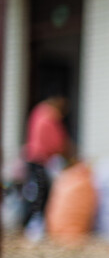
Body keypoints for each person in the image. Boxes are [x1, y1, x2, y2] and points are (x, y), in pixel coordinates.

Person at [20, 95, 72, 231]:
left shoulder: (38, 112)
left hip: (32, 156)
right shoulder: (50, 116)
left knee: (33, 191)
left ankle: (30, 223)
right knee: (40, 192)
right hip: (39, 158)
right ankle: (32, 223)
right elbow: (57, 142)